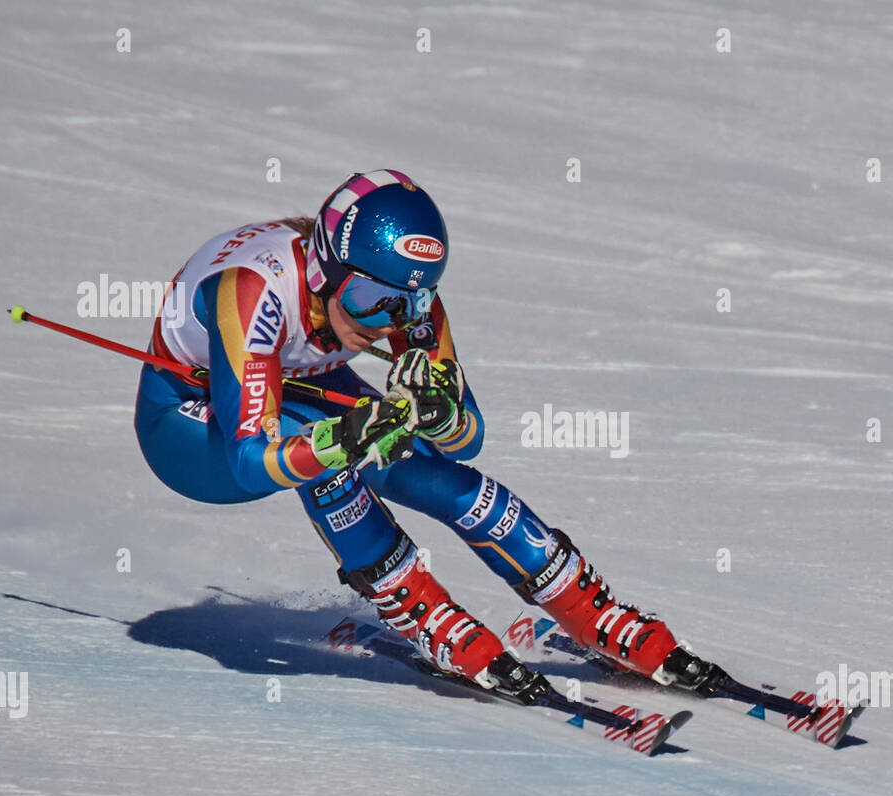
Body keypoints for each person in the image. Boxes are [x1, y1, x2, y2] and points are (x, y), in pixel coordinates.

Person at [134, 169, 722, 702]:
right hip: (190, 420)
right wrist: (338, 443)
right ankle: (427, 614)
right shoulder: (251, 293)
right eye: (368, 301)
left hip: (295, 382)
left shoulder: (398, 300)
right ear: (323, 273)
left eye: (410, 302)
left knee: (427, 467)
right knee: (328, 453)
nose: (389, 323)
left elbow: (468, 438)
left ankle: (586, 608)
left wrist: (439, 414)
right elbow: (246, 461)